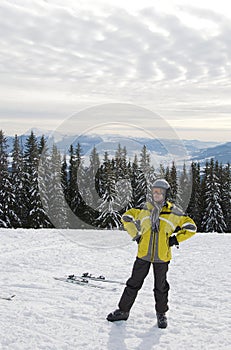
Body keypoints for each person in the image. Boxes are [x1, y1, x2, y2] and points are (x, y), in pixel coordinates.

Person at [106, 178, 197, 328]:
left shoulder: (173, 212)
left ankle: (161, 314)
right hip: (143, 255)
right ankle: (123, 311)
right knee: (133, 283)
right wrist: (135, 235)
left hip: (162, 257)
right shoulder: (144, 209)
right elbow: (126, 217)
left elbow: (191, 227)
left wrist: (175, 240)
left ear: (166, 194)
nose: (157, 194)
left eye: (160, 192)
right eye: (154, 191)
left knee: (160, 288)